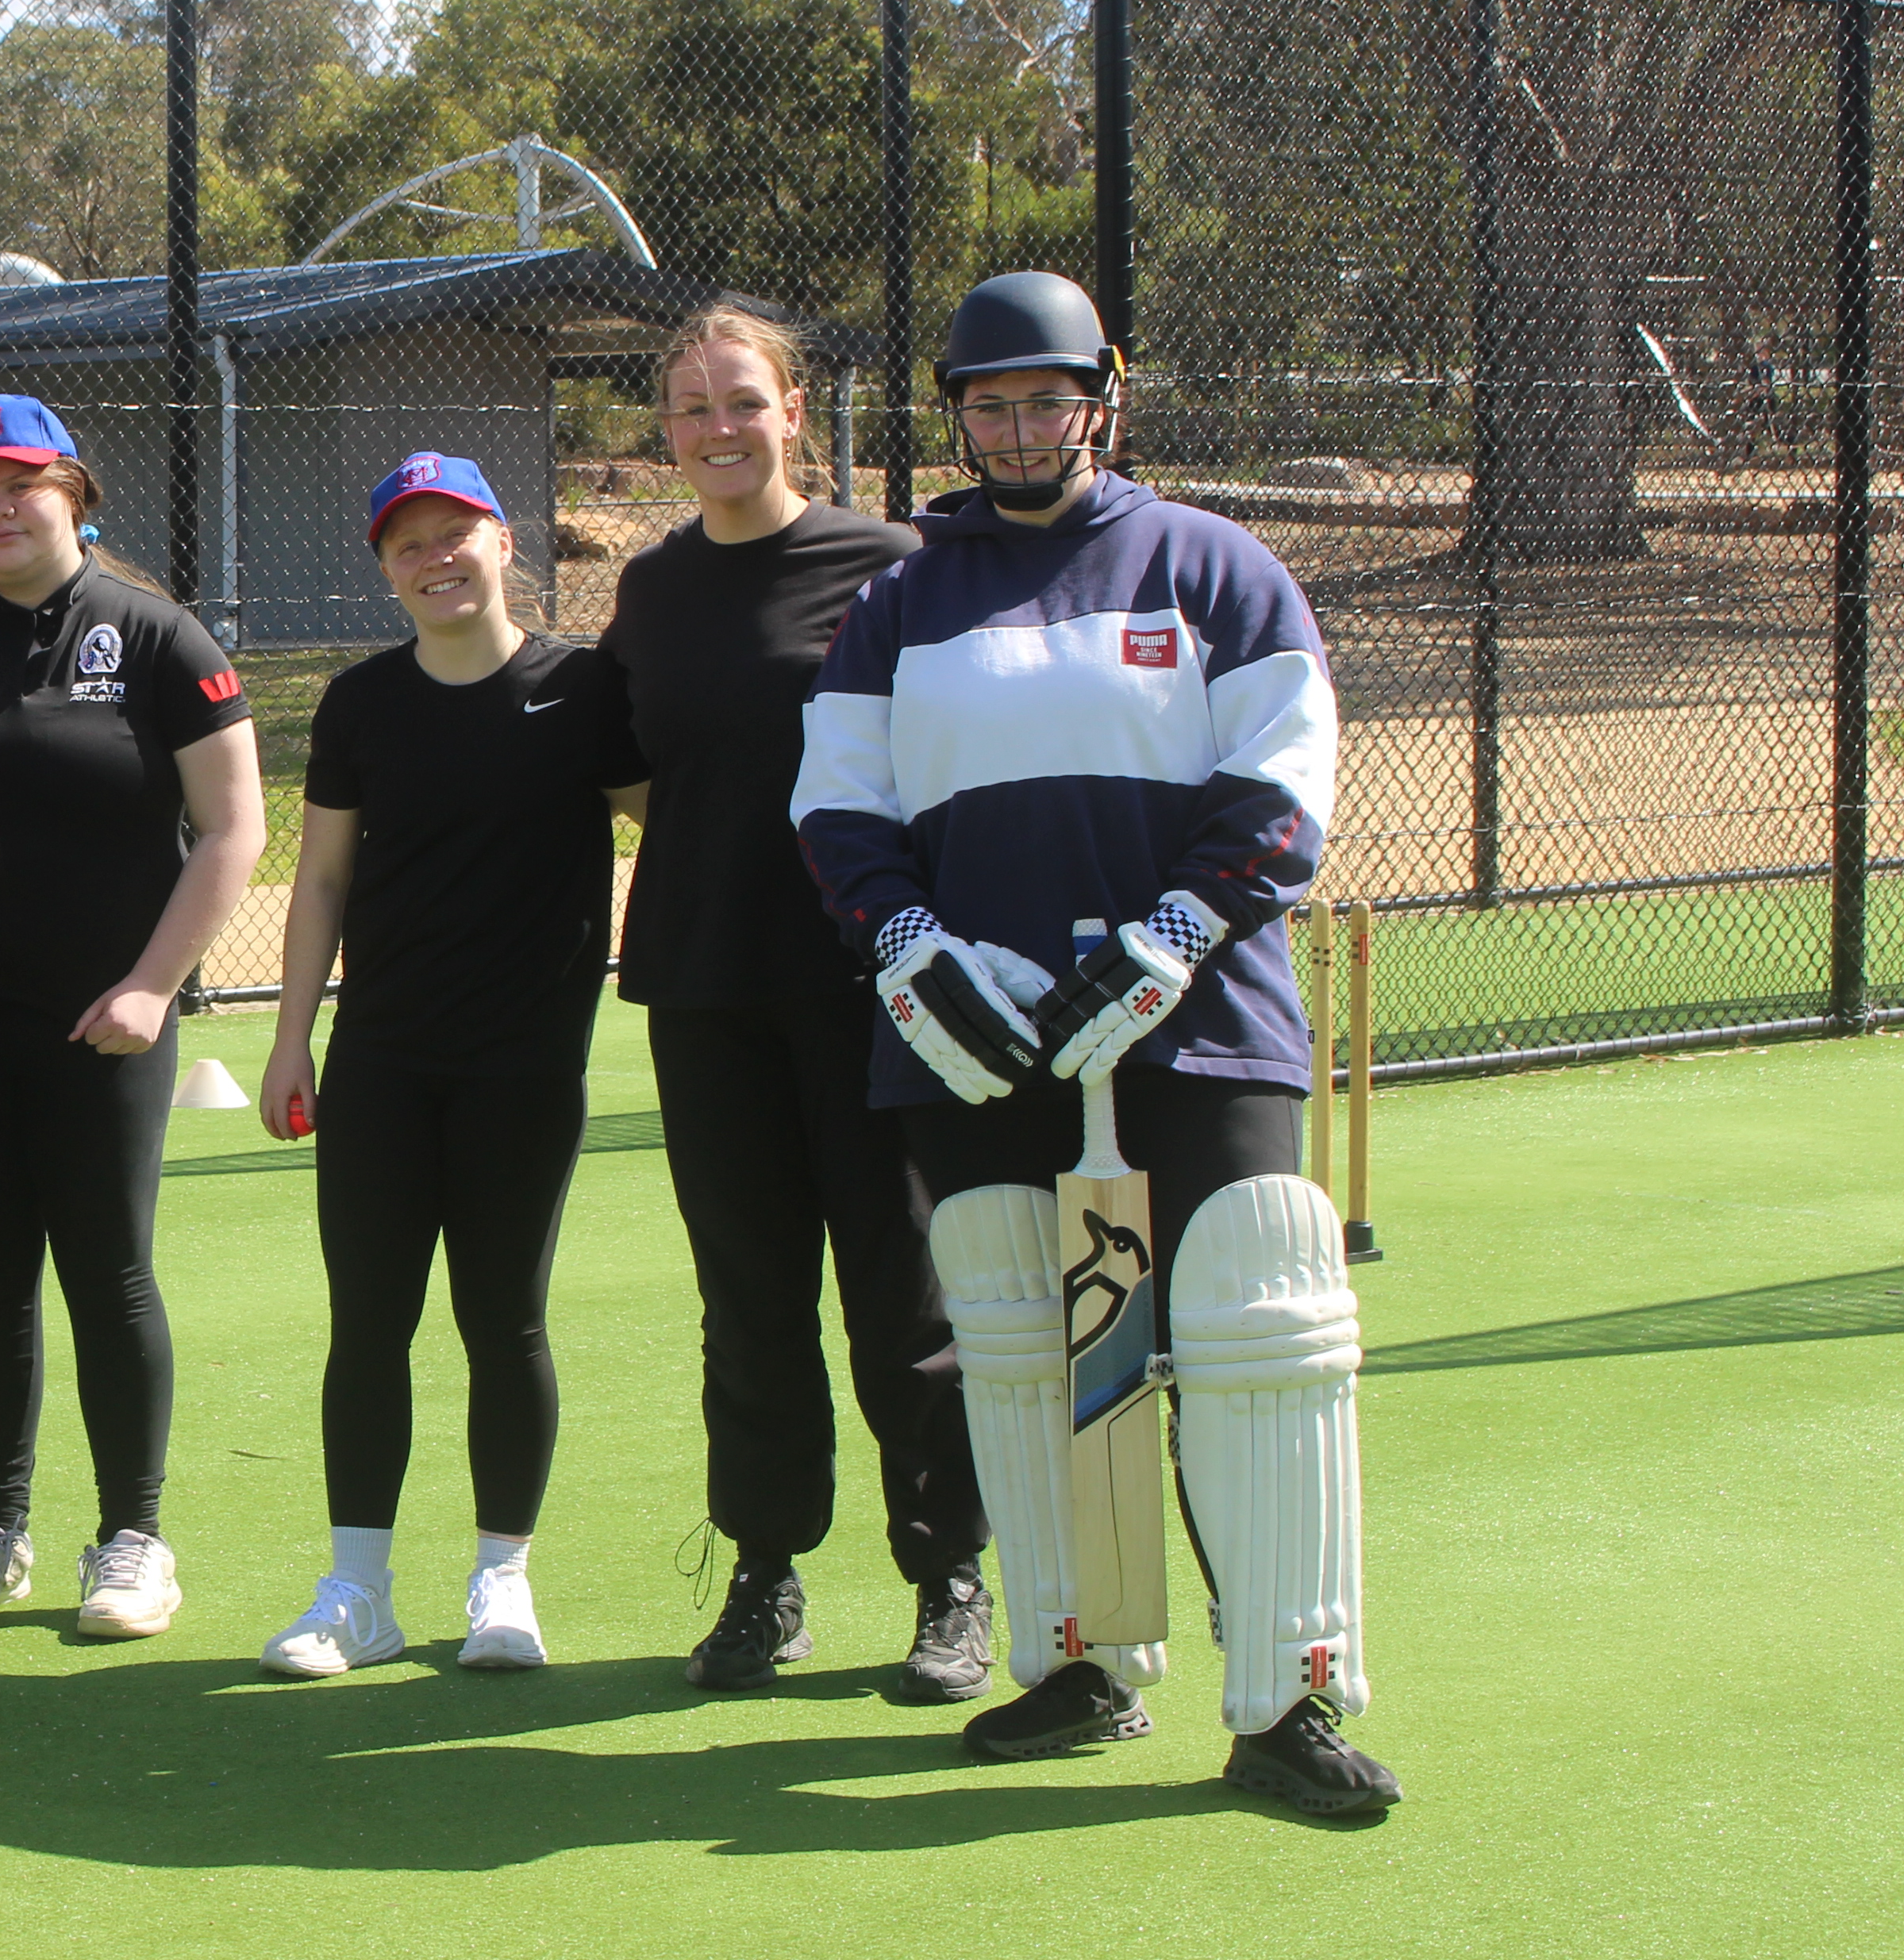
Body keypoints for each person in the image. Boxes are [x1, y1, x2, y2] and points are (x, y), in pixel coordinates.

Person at [794, 270, 1394, 1815]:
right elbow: (840, 806)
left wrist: (1174, 941)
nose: (1014, 429)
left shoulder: (1216, 568)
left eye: (1042, 401)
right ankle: (1087, 1662)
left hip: (1201, 1032)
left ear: (1100, 398)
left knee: (1255, 1329)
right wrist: (915, 955)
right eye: (987, 406)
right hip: (977, 1043)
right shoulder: (900, 600)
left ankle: (1289, 1704)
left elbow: (1284, 790)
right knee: (1029, 1342)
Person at [599, 311, 990, 1701]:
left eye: (740, 401)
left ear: (792, 411)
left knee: (902, 1289)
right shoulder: (648, 590)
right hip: (701, 987)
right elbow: (632, 768)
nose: (715, 428)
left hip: (867, 987)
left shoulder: (886, 566)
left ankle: (949, 1576)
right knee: (746, 1297)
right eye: (689, 408)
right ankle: (764, 1575)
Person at [255, 454, 645, 1679]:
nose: (436, 559)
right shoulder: (362, 703)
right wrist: (289, 1038)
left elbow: (674, 818)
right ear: (384, 568)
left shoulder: (585, 691)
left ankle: (501, 1584)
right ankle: (357, 1596)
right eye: (407, 544)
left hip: (527, 1066)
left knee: (504, 1320)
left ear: (503, 541)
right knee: (368, 1321)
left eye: (455, 533)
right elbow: (319, 879)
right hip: (380, 1060)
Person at [0, 396, 261, 1639]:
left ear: (76, 494)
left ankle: (134, 1538)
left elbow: (235, 831)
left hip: (110, 1019)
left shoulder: (158, 637)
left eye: (21, 486)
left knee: (109, 1273)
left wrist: (155, 983)